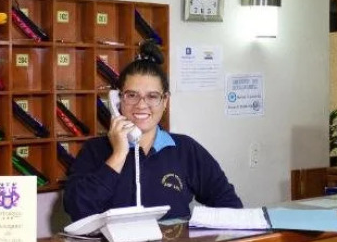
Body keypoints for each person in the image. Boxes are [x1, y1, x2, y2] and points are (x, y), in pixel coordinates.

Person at [64, 40, 243, 221]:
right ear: (118, 100)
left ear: (165, 101)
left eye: (152, 96)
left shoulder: (185, 149)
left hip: (173, 241)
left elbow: (230, 205)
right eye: (132, 95)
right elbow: (77, 209)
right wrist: (118, 155)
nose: (141, 105)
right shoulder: (95, 150)